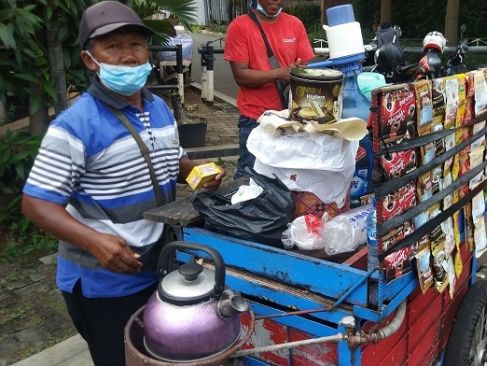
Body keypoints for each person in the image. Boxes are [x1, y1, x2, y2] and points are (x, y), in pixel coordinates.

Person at [21, 2, 224, 365]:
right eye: (113, 47)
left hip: (156, 264)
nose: (128, 56)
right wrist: (94, 241)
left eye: (136, 45)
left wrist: (197, 170)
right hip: (105, 282)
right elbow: (36, 203)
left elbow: (169, 161)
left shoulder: (158, 107)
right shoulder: (74, 125)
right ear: (89, 60)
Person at [224, 0, 315, 178]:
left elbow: (304, 70)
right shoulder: (240, 26)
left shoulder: (295, 24)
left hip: (290, 120)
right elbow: (240, 76)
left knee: (288, 181)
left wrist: (299, 73)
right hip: (255, 120)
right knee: (249, 181)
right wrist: (279, 74)